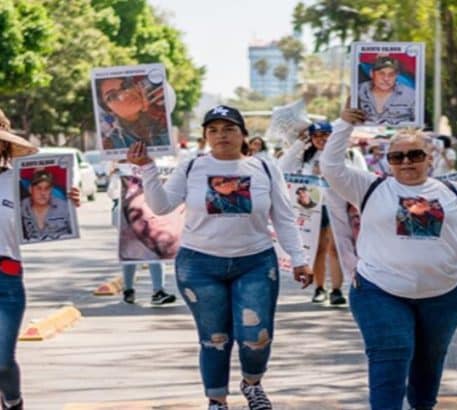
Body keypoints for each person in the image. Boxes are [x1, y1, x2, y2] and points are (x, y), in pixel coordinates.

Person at [321, 108, 457, 409]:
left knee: (428, 363)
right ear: (388, 161)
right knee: (390, 356)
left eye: (415, 155)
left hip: (444, 294)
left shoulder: (454, 192)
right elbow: (330, 166)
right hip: (379, 291)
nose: (406, 162)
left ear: (430, 157)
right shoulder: (369, 187)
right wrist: (345, 123)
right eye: (397, 157)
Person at [127, 104, 313, 410]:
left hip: (255, 262)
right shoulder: (191, 167)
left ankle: (252, 384)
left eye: (229, 129)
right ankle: (217, 400)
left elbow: (284, 217)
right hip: (199, 265)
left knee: (257, 336)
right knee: (214, 337)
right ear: (205, 136)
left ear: (243, 135)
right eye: (213, 130)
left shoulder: (265, 169)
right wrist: (147, 168)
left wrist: (299, 258)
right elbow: (161, 207)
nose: (221, 135)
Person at [0, 110, 81, 410]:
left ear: (4, 145)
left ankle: (13, 402)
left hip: (6, 281)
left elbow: (46, 222)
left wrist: (68, 204)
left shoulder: (20, 182)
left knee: (2, 362)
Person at [278, 121, 367, 306]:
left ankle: (336, 290)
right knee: (317, 248)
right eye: (316, 136)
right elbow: (282, 168)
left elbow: (363, 176)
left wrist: (333, 173)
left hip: (341, 206)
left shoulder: (349, 154)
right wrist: (299, 144)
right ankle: (319, 288)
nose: (321, 139)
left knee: (338, 248)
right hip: (312, 208)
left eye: (325, 135)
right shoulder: (305, 156)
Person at [106, 169, 177, 305]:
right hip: (128, 216)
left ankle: (157, 291)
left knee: (154, 251)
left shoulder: (154, 167)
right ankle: (129, 290)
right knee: (131, 252)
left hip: (150, 214)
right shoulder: (120, 171)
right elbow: (112, 194)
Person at [95, 76, 170, 150]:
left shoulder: (162, 112)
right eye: (113, 96)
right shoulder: (113, 142)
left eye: (126, 86)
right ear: (109, 110)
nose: (125, 94)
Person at [357, 55, 416, 125]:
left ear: (397, 76)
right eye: (381, 74)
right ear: (371, 74)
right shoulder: (359, 90)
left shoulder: (411, 95)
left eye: (391, 74)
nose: (386, 79)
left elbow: (419, 125)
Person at [19, 168, 73, 242]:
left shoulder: (64, 207)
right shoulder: (22, 206)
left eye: (47, 188)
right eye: (38, 188)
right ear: (30, 189)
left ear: (51, 190)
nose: (43, 193)